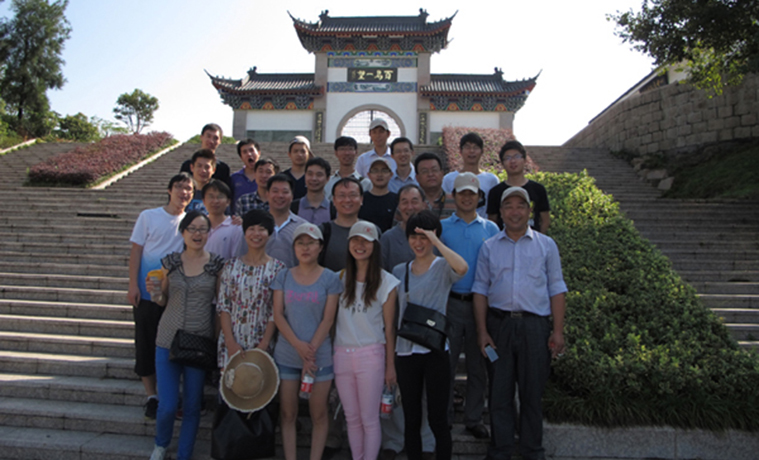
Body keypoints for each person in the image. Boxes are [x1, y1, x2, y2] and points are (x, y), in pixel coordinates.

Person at [473, 187, 567, 460]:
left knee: (532, 393)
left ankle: (532, 450)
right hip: (499, 325)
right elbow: (480, 290)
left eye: (520, 206)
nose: (514, 212)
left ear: (529, 211)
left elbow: (556, 288)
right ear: (501, 213)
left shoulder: (546, 245)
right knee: (499, 393)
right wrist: (482, 331)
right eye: (508, 206)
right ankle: (500, 450)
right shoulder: (489, 247)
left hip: (535, 327)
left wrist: (557, 331)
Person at [147, 211, 225, 460]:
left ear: (209, 233)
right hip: (168, 339)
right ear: (183, 233)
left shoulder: (216, 265)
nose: (197, 234)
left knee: (192, 406)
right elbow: (162, 299)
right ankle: (161, 444)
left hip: (199, 341)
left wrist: (217, 338)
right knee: (168, 405)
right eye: (192, 228)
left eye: (202, 229)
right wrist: (155, 294)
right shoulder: (171, 261)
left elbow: (221, 305)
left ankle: (184, 454)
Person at [392, 210, 468, 460]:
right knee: (411, 418)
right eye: (414, 237)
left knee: (438, 418)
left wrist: (436, 241)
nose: (418, 243)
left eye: (423, 237)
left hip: (435, 350)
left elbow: (462, 267)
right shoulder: (399, 270)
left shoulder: (443, 266)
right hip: (406, 351)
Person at [272, 223, 343, 460]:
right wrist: (298, 346)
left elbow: (328, 319)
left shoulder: (330, 278)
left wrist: (310, 351)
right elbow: (278, 315)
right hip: (288, 354)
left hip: (319, 356)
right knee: (288, 413)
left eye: (311, 243)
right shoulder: (283, 276)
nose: (305, 248)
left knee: (319, 414)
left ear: (320, 247)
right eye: (300, 243)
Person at [127, 172, 193, 420]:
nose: (183, 192)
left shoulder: (192, 222)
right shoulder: (149, 216)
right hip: (146, 293)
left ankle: (171, 394)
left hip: (175, 297)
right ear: (169, 190)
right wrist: (132, 285)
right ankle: (152, 396)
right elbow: (136, 252)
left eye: (188, 189)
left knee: (173, 347)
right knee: (146, 343)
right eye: (179, 187)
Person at [378, 184, 437, 460]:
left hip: (427, 322)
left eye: (415, 200)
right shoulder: (389, 238)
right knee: (396, 382)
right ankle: (393, 439)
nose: (410, 206)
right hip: (396, 318)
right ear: (398, 206)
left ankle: (426, 440)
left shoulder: (434, 237)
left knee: (424, 387)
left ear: (424, 204)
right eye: (404, 201)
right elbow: (381, 276)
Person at [334, 221, 400, 460]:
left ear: (375, 245)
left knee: (369, 419)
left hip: (371, 355)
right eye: (355, 240)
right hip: (342, 354)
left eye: (366, 241)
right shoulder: (338, 278)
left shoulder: (387, 282)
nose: (360, 245)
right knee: (351, 418)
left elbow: (389, 328)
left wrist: (390, 366)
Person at [440, 173, 499, 439]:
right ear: (453, 195)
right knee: (446, 365)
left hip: (481, 306)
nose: (466, 198)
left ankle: (474, 418)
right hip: (450, 303)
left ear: (479, 197)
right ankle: (444, 417)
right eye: (461, 193)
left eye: (471, 194)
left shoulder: (491, 229)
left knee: (478, 365)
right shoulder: (442, 228)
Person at [217, 210, 286, 367]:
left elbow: (275, 311)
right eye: (251, 229)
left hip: (263, 344)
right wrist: (230, 342)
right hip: (232, 344)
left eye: (262, 229)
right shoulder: (230, 266)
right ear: (244, 232)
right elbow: (224, 306)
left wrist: (264, 344)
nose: (256, 234)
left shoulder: (278, 269)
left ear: (269, 234)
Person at [486, 141, 550, 233]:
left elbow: (545, 220)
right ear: (502, 163)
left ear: (524, 160)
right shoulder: (495, 192)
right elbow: (492, 222)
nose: (513, 161)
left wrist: (537, 239)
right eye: (508, 158)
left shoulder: (538, 190)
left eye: (517, 156)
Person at [320, 177, 379, 272]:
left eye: (352, 195)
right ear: (334, 200)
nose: (347, 200)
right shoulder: (323, 231)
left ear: (361, 199)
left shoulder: (372, 230)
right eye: (341, 195)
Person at [442, 132, 499, 218]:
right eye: (467, 147)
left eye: (475, 147)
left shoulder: (492, 180)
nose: (471, 151)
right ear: (460, 151)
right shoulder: (448, 179)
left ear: (482, 151)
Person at [264, 174, 308, 268]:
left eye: (285, 192)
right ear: (267, 194)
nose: (280, 195)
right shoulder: (256, 225)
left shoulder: (303, 227)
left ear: (292, 196)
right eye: (275, 191)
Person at [203, 180, 244, 260]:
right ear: (204, 201)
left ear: (228, 201)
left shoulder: (236, 227)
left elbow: (237, 258)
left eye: (220, 197)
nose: (215, 201)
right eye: (211, 197)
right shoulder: (198, 226)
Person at [358, 157, 398, 233]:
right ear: (369, 175)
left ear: (391, 175)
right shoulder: (360, 199)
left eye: (384, 171)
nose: (379, 175)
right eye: (375, 171)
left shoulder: (397, 200)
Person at [325, 136, 372, 200]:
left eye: (350, 149)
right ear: (336, 153)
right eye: (342, 149)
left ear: (356, 152)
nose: (346, 153)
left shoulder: (366, 183)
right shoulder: (327, 183)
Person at [292, 157, 335, 226]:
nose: (314, 178)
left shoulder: (334, 209)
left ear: (327, 179)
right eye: (310, 174)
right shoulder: (293, 207)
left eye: (319, 175)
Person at [414, 153, 455, 220]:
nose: (430, 174)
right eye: (425, 171)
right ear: (417, 177)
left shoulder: (455, 201)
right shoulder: (410, 203)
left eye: (434, 170)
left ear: (442, 174)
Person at [229, 139, 261, 214]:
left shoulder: (266, 177)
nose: (249, 154)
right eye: (244, 152)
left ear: (259, 153)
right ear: (241, 157)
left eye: (251, 150)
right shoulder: (234, 178)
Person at [283, 136, 312, 200]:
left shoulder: (313, 177)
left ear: (309, 154)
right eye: (295, 151)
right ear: (289, 154)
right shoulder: (282, 177)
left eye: (303, 151)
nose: (299, 154)